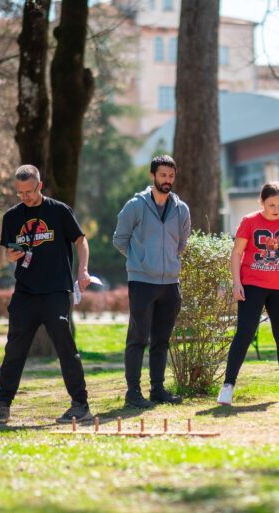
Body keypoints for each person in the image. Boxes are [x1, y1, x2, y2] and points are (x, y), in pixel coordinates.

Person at [0, 165, 92, 424]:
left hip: (56, 290)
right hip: (25, 292)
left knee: (65, 346)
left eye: (29, 191)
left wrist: (83, 270)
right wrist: (9, 256)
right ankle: (3, 405)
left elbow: (81, 240)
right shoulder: (12, 216)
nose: (25, 197)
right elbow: (8, 252)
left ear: (40, 186)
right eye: (20, 193)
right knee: (14, 349)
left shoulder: (59, 211)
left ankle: (80, 404)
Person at [113, 155, 191, 408]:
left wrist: (168, 262)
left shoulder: (181, 209)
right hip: (142, 282)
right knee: (137, 338)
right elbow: (120, 240)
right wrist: (141, 261)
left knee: (162, 340)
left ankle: (158, 389)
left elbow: (182, 243)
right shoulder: (135, 206)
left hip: (170, 283)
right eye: (162, 175)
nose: (167, 180)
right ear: (152, 176)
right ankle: (133, 393)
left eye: (171, 176)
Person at [217, 182, 279, 405]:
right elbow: (237, 253)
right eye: (272, 204)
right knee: (245, 333)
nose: (276, 209)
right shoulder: (249, 222)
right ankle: (228, 386)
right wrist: (236, 283)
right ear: (262, 202)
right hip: (253, 285)